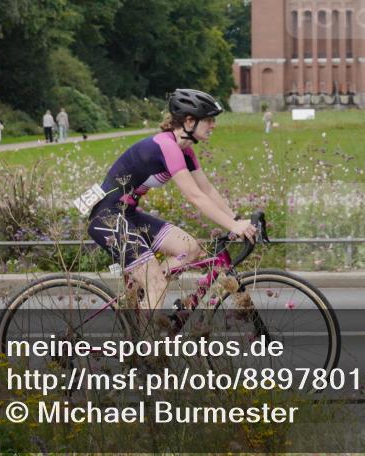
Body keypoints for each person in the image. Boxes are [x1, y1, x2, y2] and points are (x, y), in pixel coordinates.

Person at [87, 89, 256, 316]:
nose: (213, 125)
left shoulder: (186, 151)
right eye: (208, 119)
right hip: (107, 218)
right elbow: (195, 196)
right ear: (188, 121)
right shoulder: (167, 146)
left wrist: (236, 220)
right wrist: (233, 226)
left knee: (189, 248)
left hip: (128, 215)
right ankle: (146, 349)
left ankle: (143, 291)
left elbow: (207, 189)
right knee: (157, 283)